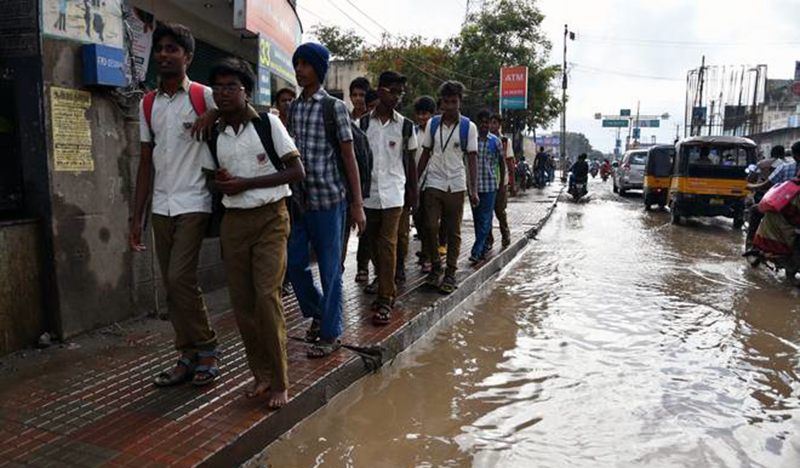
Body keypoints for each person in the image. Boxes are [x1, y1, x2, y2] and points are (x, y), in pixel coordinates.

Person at [208, 58, 305, 408]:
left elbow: (296, 171)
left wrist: (246, 183)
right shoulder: (213, 131)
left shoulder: (268, 123)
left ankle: (280, 381)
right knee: (243, 304)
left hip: (271, 219)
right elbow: (212, 177)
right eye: (217, 87)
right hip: (233, 222)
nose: (223, 93)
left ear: (246, 91)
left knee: (267, 297)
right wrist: (223, 185)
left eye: (231, 86)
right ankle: (260, 375)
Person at [130, 23, 222, 387]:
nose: (164, 54)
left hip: (195, 199)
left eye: (173, 49)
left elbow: (243, 110)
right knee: (173, 286)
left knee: (180, 277)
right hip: (161, 205)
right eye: (160, 48)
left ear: (188, 57)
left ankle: (209, 348)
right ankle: (186, 354)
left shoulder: (205, 95)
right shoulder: (147, 103)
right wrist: (135, 216)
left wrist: (211, 115)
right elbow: (144, 162)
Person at [287, 42, 366, 358]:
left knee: (331, 269)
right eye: (297, 63)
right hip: (300, 201)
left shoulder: (334, 108)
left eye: (305, 64)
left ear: (318, 69)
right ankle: (320, 311)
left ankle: (330, 334)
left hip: (331, 201)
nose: (299, 69)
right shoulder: (293, 107)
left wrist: (357, 205)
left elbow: (349, 158)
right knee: (294, 265)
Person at [360, 71, 418, 324]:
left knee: (388, 245)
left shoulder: (406, 126)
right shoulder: (361, 125)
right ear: (381, 90)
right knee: (372, 243)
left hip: (395, 194)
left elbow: (411, 164)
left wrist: (413, 195)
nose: (397, 96)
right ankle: (383, 282)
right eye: (393, 91)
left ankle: (386, 298)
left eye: (400, 92)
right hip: (368, 194)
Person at [417, 80, 479, 294]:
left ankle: (450, 272)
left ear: (460, 102)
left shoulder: (468, 127)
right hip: (434, 182)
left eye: (454, 101)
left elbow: (472, 159)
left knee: (453, 231)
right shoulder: (432, 125)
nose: (450, 106)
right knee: (430, 227)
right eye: (446, 102)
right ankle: (436, 266)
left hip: (456, 184)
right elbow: (425, 153)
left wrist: (473, 190)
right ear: (441, 102)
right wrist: (414, 184)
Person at [343, 77, 372, 283]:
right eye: (354, 95)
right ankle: (341, 269)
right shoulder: (344, 118)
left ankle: (364, 267)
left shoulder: (374, 120)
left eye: (362, 95)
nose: (358, 99)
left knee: (367, 228)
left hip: (371, 185)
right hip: (348, 185)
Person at [470, 110, 503, 263]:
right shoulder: (471, 140)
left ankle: (476, 251)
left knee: (485, 218)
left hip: (490, 186)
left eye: (486, 122)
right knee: (477, 219)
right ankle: (482, 248)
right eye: (481, 122)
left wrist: (502, 183)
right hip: (474, 187)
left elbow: (501, 162)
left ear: (490, 123)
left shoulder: (495, 141)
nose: (484, 125)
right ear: (478, 123)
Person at [411, 96, 437, 274]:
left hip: (433, 183)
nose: (422, 117)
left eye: (425, 114)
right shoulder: (412, 132)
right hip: (415, 183)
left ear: (432, 114)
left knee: (429, 222)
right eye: (419, 114)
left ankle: (429, 256)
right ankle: (426, 252)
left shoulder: (437, 134)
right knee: (419, 222)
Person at [746, 145, 786, 247]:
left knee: (755, 212)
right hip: (784, 199)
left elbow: (751, 178)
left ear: (771, 153)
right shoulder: (787, 164)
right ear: (783, 154)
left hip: (763, 194)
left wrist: (752, 185)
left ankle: (750, 242)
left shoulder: (761, 164)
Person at [486, 114, 513, 249]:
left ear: (499, 125)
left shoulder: (505, 141)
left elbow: (509, 161)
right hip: (487, 182)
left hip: (501, 182)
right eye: (490, 123)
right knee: (487, 211)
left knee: (500, 211)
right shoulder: (484, 139)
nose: (492, 126)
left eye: (494, 123)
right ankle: (489, 239)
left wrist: (510, 183)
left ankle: (505, 233)